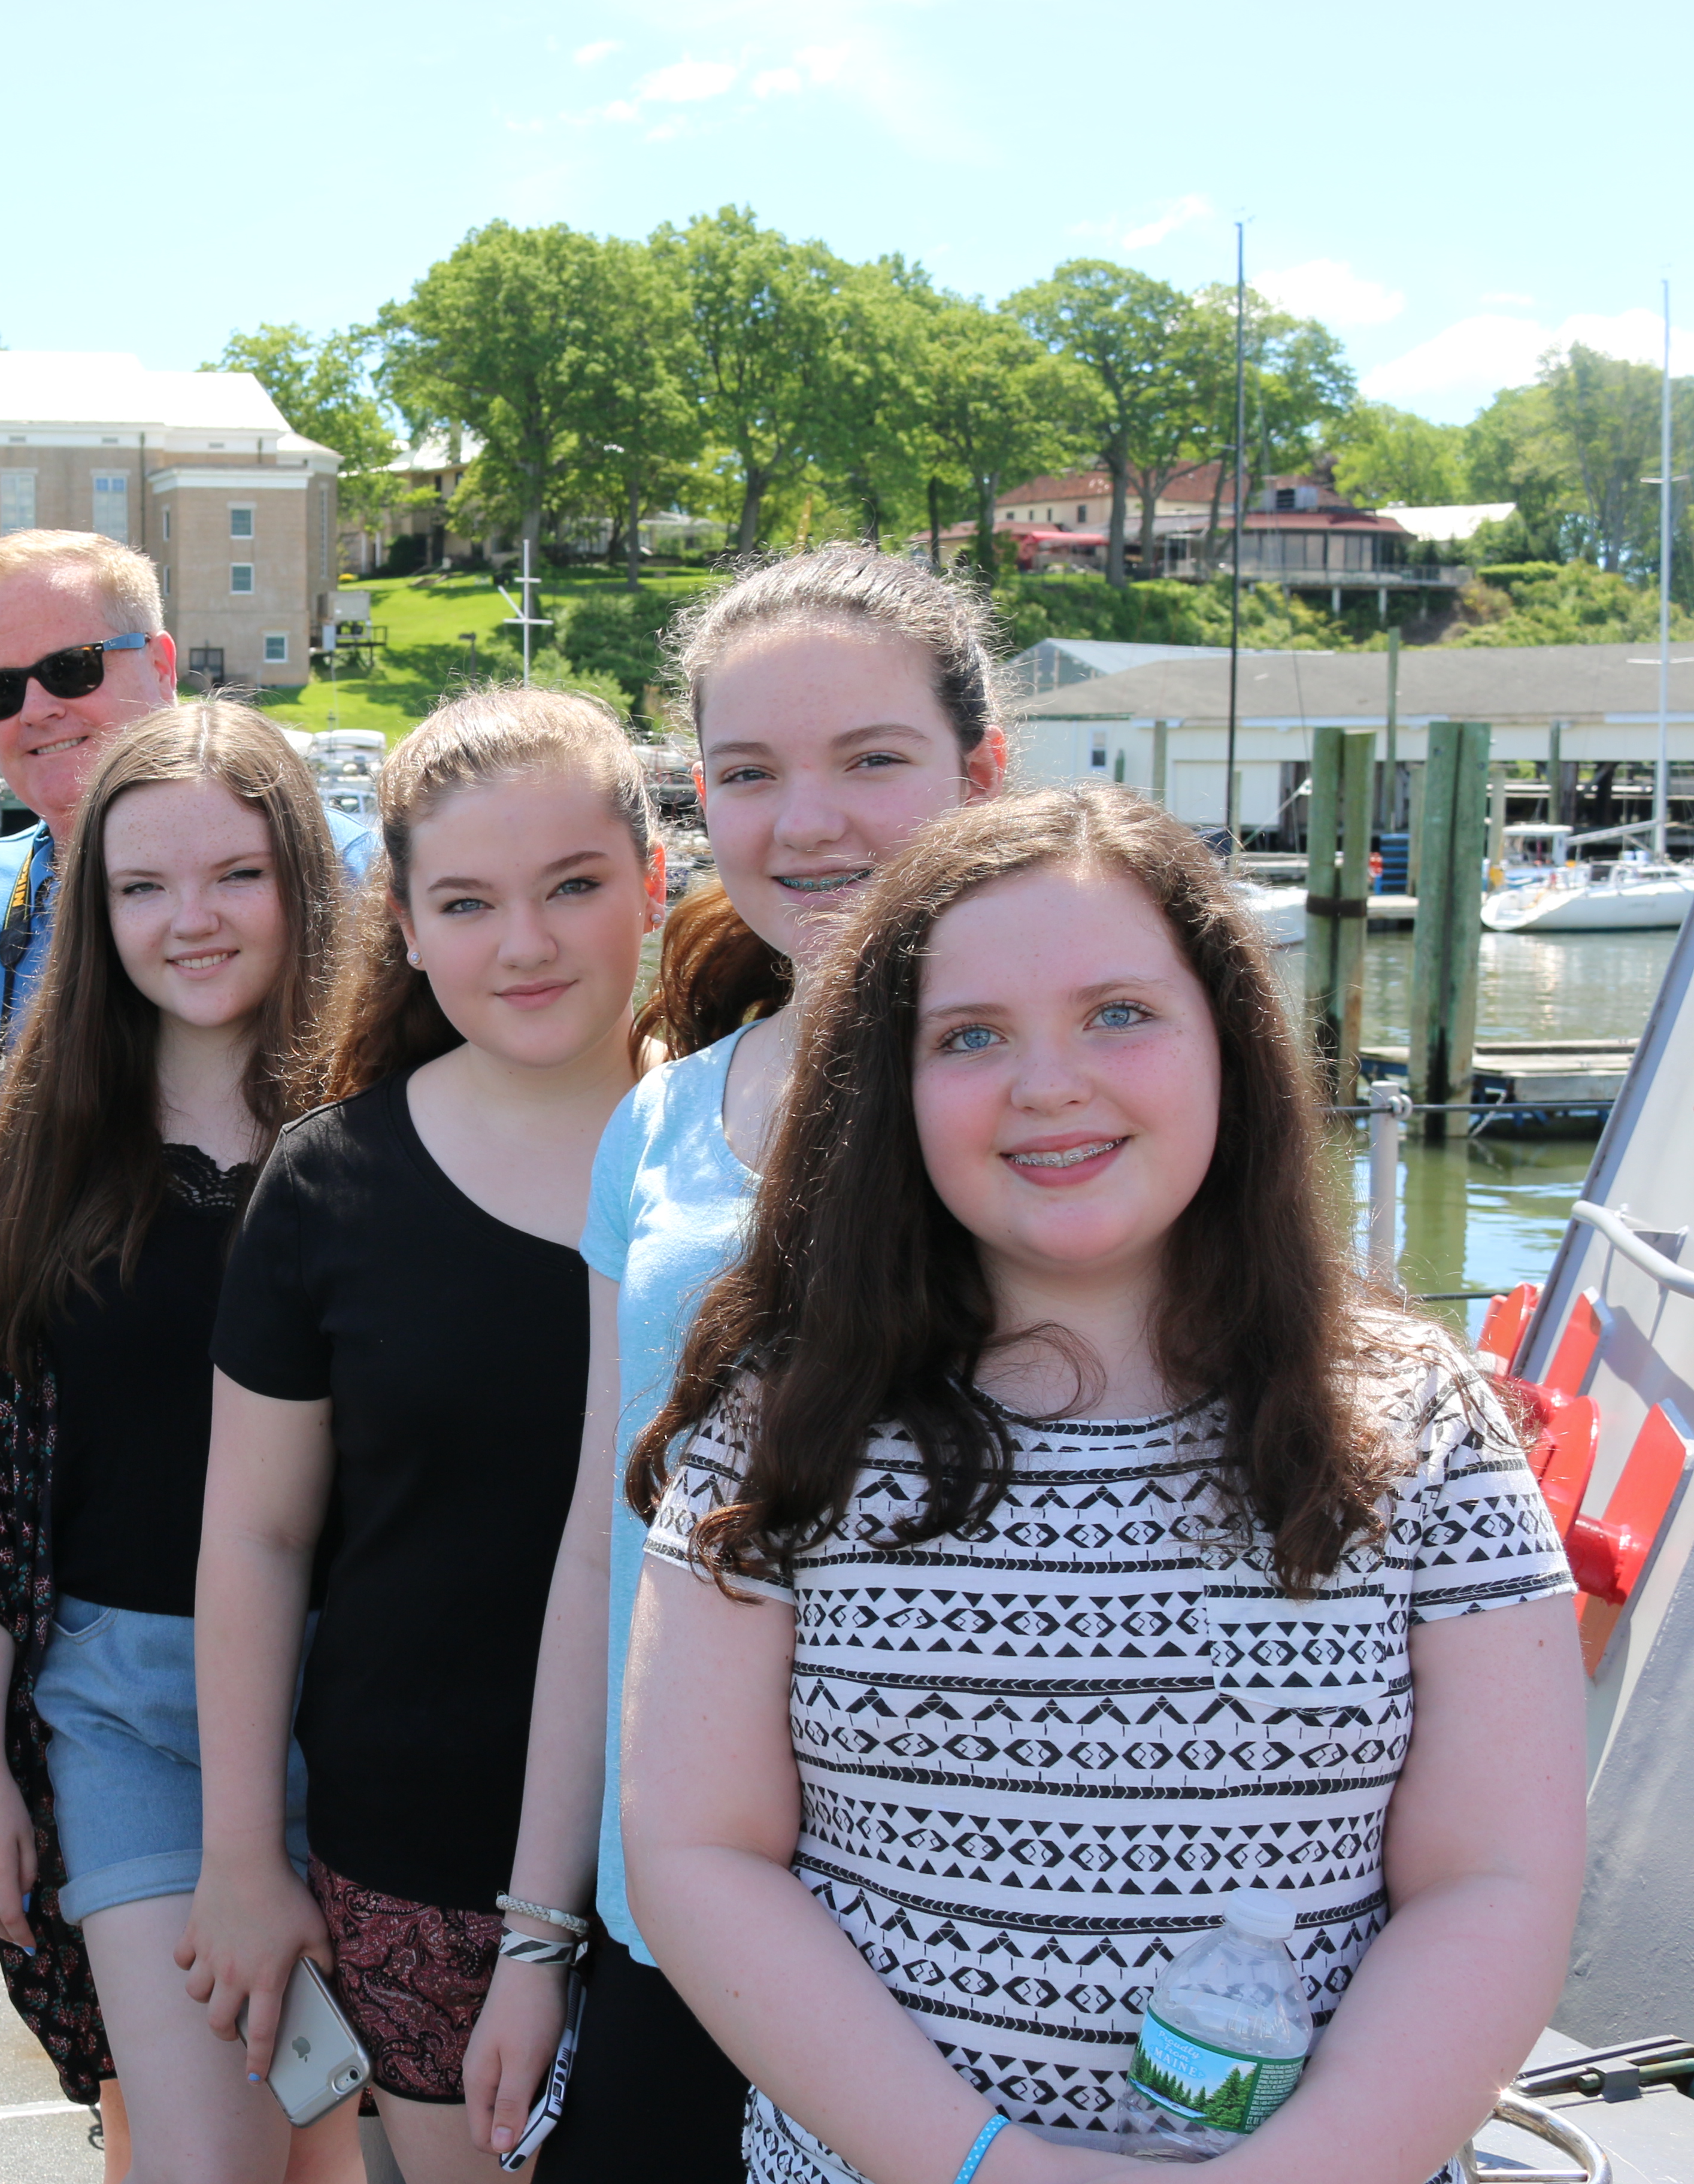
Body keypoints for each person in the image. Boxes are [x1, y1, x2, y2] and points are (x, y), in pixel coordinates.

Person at [621, 783, 1586, 2184]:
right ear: (884, 1091)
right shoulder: (779, 1428)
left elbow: (1490, 1879)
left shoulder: (1419, 1424)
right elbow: (700, 1856)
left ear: (1227, 1046)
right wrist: (988, 2169)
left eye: (1118, 1014)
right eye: (967, 1037)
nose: (1047, 1081)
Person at [466, 545, 1010, 2171]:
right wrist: (540, 1930)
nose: (808, 822)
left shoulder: (1080, 1120)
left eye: (873, 760)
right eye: (750, 775)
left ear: (980, 772)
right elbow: (599, 1545)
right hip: (670, 1935)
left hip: (970, 1946)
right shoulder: (662, 1119)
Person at [0, 702, 360, 2184]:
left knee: (342, 2154)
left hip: (363, 1704)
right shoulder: (47, 1140)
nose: (188, 921)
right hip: (123, 1705)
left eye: (233, 876)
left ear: (302, 880)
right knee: (205, 2156)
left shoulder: (388, 1122)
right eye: (142, 887)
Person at [183, 688, 666, 2184]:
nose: (522, 943)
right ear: (400, 925)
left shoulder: (739, 1158)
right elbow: (255, 1537)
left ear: (654, 884)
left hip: (713, 1840)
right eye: (466, 902)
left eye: (573, 887)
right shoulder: (329, 1185)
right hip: (415, 1838)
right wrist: (240, 1854)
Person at [0, 530, 374, 1170]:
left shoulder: (358, 875)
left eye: (70, 668)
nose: (36, 709)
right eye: (0, 689)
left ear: (162, 665)